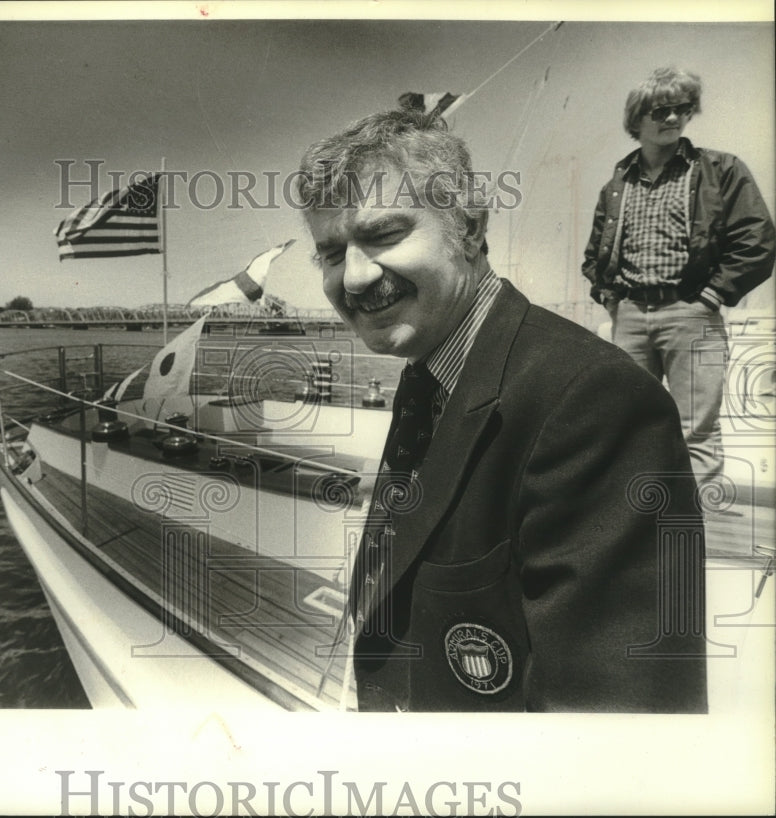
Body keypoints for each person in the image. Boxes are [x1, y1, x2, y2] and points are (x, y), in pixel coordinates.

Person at [297, 108, 708, 713]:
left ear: (468, 227)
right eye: (330, 253)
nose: (354, 278)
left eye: (384, 235)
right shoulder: (431, 375)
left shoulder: (594, 402)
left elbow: (617, 727)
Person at [582, 67, 775, 486]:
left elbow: (757, 240)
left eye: (683, 109)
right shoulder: (617, 185)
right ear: (637, 119)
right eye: (661, 110)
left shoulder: (719, 170)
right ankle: (633, 530)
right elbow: (595, 255)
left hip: (693, 314)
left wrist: (711, 295)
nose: (673, 118)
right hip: (630, 316)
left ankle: (690, 538)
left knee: (696, 431)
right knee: (626, 425)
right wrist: (612, 299)